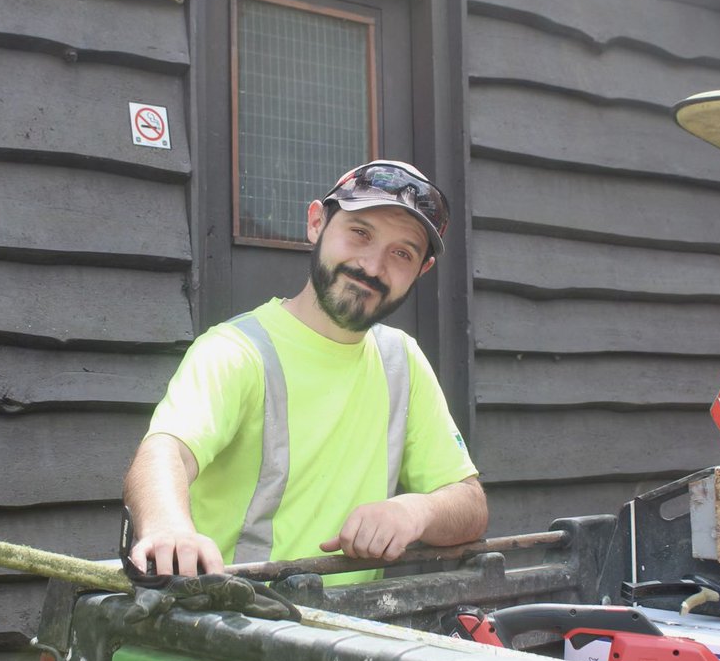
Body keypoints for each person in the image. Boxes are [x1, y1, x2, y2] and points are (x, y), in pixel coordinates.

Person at [123, 160, 487, 583]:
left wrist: (415, 510)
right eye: (360, 233)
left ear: (421, 271)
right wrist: (168, 528)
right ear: (317, 222)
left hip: (351, 637)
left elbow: (470, 503)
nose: (372, 266)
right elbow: (163, 452)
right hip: (229, 628)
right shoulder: (236, 350)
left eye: (401, 253)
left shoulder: (401, 361)